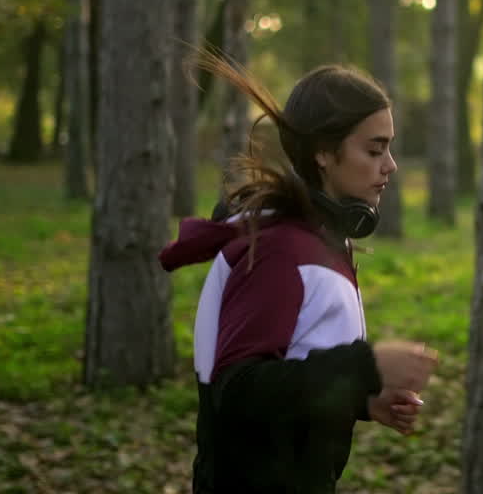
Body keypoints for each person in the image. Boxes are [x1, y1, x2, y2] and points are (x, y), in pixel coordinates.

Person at [159, 55, 439, 494]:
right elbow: (237, 392)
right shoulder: (279, 250)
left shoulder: (320, 238)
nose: (390, 165)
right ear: (324, 153)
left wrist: (362, 398)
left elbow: (294, 368)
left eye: (388, 147)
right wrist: (365, 366)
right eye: (374, 148)